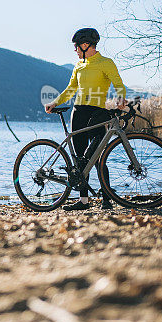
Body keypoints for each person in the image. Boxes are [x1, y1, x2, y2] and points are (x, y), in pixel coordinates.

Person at [45, 28, 127, 210]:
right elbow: (70, 89)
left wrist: (121, 97)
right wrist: (55, 102)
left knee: (98, 157)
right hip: (78, 112)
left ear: (85, 45)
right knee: (80, 159)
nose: (75, 50)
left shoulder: (106, 63)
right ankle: (84, 201)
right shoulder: (78, 66)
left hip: (98, 113)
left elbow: (118, 84)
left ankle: (107, 199)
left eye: (76, 46)